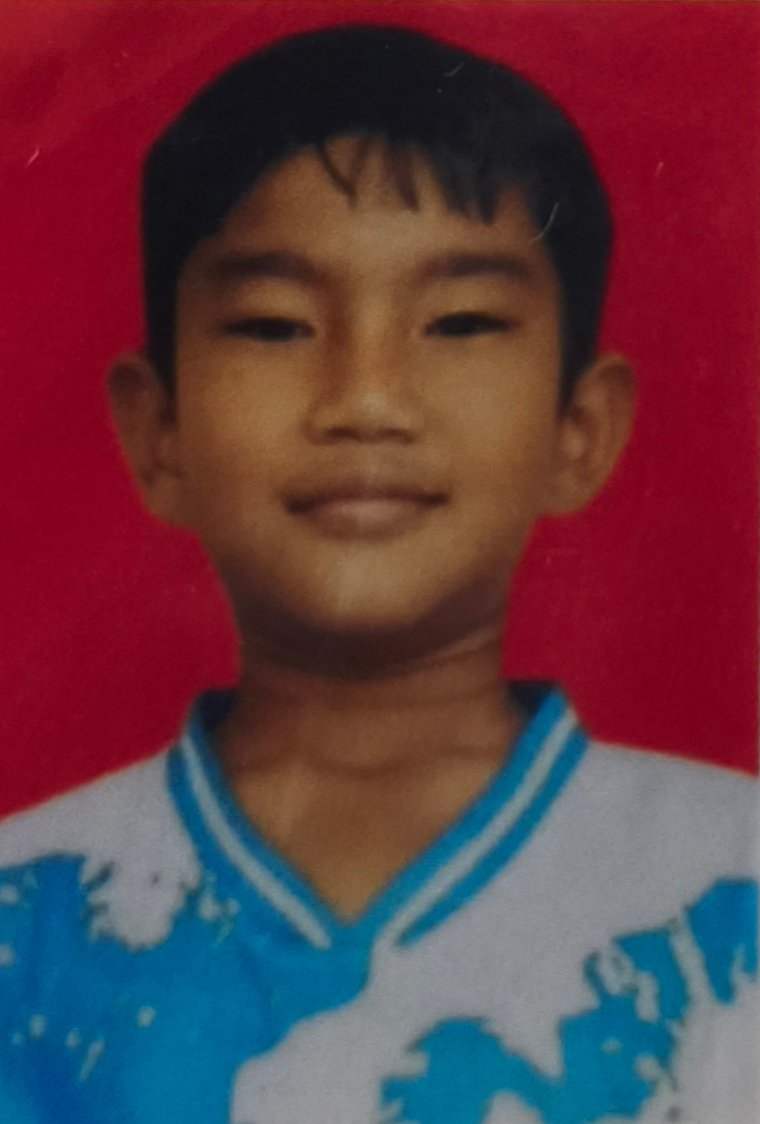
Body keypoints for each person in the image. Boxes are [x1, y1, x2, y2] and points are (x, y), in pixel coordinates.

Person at [0, 23, 755, 1124]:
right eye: (274, 325)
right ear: (158, 431)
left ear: (579, 430)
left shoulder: (728, 895)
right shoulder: (25, 922)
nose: (364, 398)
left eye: (460, 322)